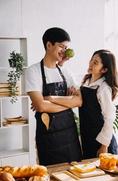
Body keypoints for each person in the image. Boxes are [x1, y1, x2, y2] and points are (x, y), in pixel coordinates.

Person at [25, 27, 82, 166]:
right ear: (49, 45)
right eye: (61, 46)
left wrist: (50, 99)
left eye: (66, 47)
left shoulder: (65, 71)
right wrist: (68, 102)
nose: (64, 51)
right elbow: (40, 106)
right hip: (48, 137)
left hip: (70, 134)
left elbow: (79, 101)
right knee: (51, 178)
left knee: (75, 174)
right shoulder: (33, 71)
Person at [79, 49, 118, 159]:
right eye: (91, 60)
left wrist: (104, 146)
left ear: (104, 69)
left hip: (102, 143)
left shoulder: (103, 88)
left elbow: (109, 118)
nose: (91, 64)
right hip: (88, 138)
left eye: (96, 62)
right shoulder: (86, 82)